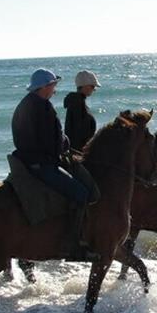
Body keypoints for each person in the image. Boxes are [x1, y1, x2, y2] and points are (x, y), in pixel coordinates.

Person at [12, 68, 97, 262]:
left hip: (29, 160)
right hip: (41, 164)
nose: (55, 89)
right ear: (44, 87)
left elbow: (51, 136)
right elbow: (52, 140)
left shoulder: (28, 104)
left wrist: (62, 143)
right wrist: (62, 147)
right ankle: (74, 245)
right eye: (53, 85)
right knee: (81, 194)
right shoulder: (41, 107)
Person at [63, 70, 101, 150]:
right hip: (79, 153)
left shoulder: (74, 102)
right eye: (93, 86)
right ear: (85, 86)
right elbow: (79, 135)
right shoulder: (78, 105)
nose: (94, 90)